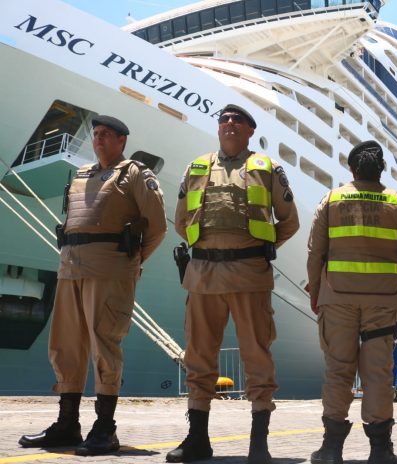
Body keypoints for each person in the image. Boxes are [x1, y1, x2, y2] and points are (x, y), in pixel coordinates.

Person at [18, 116, 167, 455]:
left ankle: (105, 428)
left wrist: (132, 261)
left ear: (121, 141)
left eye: (106, 135)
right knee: (65, 346)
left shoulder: (135, 174)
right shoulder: (83, 173)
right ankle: (68, 424)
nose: (98, 139)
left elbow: (157, 227)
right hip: (70, 269)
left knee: (104, 344)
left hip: (110, 270)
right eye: (96, 134)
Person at [167, 104, 299, 463]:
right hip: (202, 274)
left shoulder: (268, 169)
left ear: (250, 130)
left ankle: (259, 443)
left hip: (249, 273)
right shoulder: (196, 167)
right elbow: (181, 220)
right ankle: (197, 439)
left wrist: (257, 248)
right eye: (224, 119)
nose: (228, 124)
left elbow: (288, 221)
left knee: (257, 355)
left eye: (237, 119)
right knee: (198, 356)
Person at [306, 140, 397, 464]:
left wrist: (315, 292)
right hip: (383, 303)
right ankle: (380, 451)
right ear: (381, 169)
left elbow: (315, 251)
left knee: (338, 371)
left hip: (337, 297)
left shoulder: (331, 200)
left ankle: (331, 450)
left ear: (352, 169)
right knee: (377, 374)